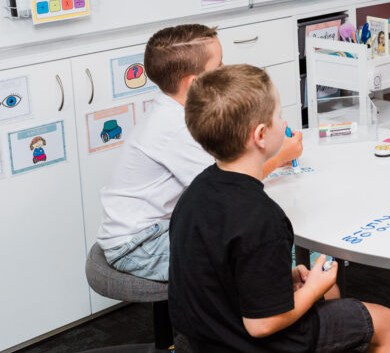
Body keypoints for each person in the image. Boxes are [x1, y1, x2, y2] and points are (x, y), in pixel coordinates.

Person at [170, 64, 390, 353]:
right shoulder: (261, 218)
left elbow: (220, 274)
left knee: (330, 294)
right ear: (260, 135)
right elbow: (262, 324)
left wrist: (285, 281)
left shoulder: (196, 193)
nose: (285, 122)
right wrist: (313, 287)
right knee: (385, 321)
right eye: (279, 115)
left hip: (206, 343)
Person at [96, 23, 302, 281]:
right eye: (219, 66)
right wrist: (280, 156)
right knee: (250, 248)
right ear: (195, 83)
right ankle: (277, 300)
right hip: (139, 245)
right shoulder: (175, 127)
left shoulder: (176, 110)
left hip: (155, 229)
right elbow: (228, 186)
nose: (226, 69)